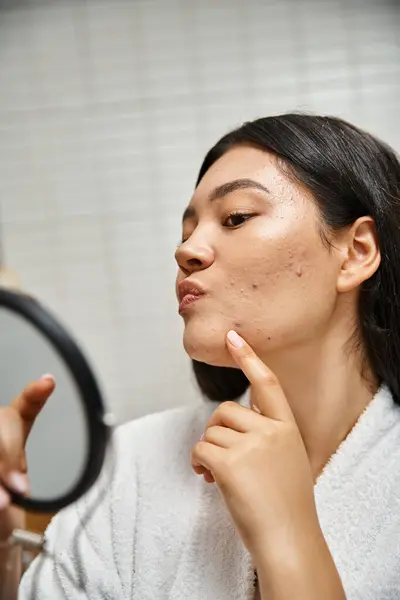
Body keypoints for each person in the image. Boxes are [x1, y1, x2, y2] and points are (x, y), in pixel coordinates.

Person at [1, 113, 400, 599]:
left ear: (357, 251)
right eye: (186, 231)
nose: (187, 250)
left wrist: (288, 536)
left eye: (236, 217)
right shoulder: (131, 465)